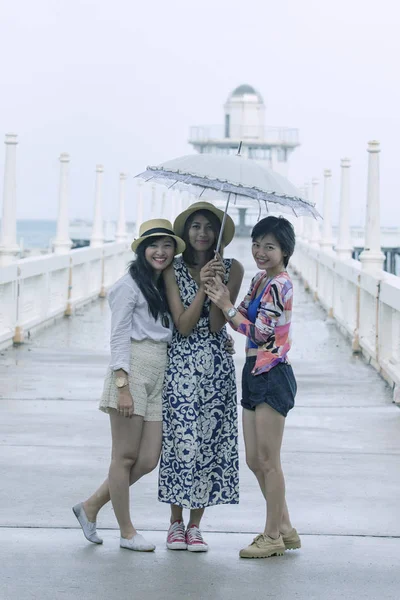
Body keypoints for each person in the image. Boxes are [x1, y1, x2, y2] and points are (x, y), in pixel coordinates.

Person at [72, 218, 186, 552]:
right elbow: (119, 335)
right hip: (132, 371)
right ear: (141, 249)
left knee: (148, 459)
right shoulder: (128, 286)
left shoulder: (161, 286)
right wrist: (122, 384)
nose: (161, 252)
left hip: (158, 373)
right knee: (123, 457)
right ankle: (127, 532)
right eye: (154, 245)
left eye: (167, 246)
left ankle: (90, 506)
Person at [205, 215, 301, 559]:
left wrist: (226, 306)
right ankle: (286, 527)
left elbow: (260, 332)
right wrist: (220, 287)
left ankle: (272, 534)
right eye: (257, 244)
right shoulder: (261, 279)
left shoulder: (280, 284)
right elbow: (241, 315)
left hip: (272, 373)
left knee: (269, 460)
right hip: (253, 371)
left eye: (269, 246)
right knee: (253, 460)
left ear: (285, 250)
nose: (260, 252)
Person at [160, 201, 244, 552]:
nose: (202, 233)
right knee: (181, 443)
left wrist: (218, 287)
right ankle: (174, 522)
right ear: (186, 232)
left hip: (215, 369)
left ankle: (195, 525)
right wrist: (200, 286)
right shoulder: (172, 270)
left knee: (208, 445)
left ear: (218, 234)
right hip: (180, 366)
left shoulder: (233, 268)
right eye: (195, 226)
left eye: (209, 227)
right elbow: (183, 325)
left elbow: (214, 325)